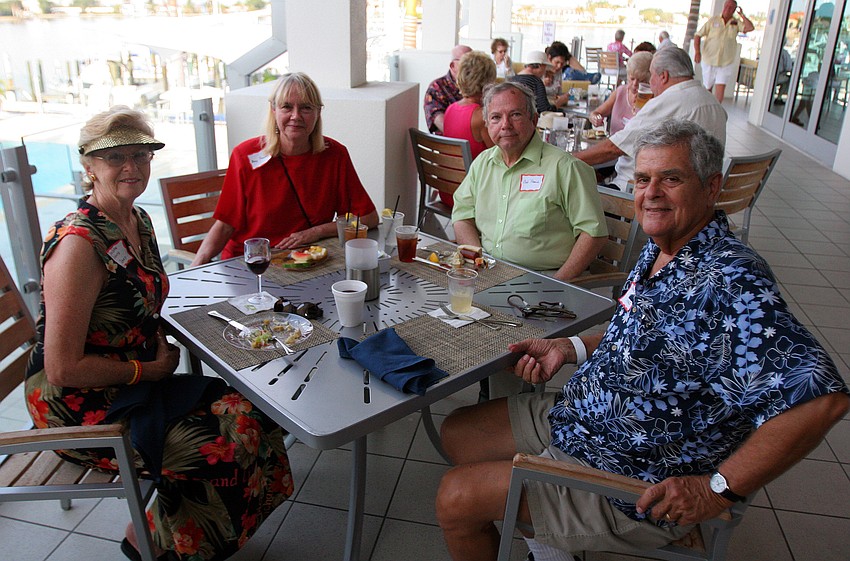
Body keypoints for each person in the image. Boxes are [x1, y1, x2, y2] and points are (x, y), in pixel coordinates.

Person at [435, 119, 850, 561]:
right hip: (585, 418)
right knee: (458, 432)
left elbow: (819, 399)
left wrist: (717, 490)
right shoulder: (662, 248)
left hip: (634, 472)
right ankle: (552, 543)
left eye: (671, 179)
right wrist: (568, 347)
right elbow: (639, 336)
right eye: (643, 179)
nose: (651, 192)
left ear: (711, 188)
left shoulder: (730, 280)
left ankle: (553, 525)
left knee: (455, 499)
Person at [25, 106, 295, 561]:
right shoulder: (78, 246)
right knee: (225, 444)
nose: (131, 167)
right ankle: (161, 546)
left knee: (255, 415)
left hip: (129, 379)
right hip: (81, 405)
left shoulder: (136, 220)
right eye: (115, 158)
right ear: (88, 167)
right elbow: (63, 367)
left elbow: (140, 304)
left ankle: (167, 532)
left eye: (141, 154)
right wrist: (148, 370)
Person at [452, 81, 607, 399]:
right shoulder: (484, 163)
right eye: (495, 117)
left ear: (534, 119)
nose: (504, 125)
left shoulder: (565, 168)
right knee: (438, 312)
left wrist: (558, 284)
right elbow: (461, 214)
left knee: (499, 343)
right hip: (490, 275)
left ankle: (501, 411)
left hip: (542, 283)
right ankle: (486, 395)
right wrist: (474, 255)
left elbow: (594, 232)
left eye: (515, 115)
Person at [191, 73, 378, 265]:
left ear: (318, 113)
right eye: (287, 107)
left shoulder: (335, 155)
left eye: (305, 108)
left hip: (307, 261)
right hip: (252, 262)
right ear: (274, 110)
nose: (295, 116)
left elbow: (368, 218)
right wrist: (193, 271)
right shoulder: (245, 155)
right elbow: (225, 226)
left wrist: (316, 232)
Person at [574, 47, 727, 191]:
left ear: (663, 76)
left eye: (651, 76)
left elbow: (614, 148)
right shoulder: (713, 103)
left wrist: (567, 159)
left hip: (637, 193)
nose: (650, 84)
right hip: (692, 195)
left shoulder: (670, 100)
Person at [694, 0, 755, 104]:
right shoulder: (713, 21)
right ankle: (706, 108)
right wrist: (697, 52)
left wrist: (742, 16)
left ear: (734, 10)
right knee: (707, 87)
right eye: (726, 6)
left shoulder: (736, 23)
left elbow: (750, 28)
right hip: (709, 60)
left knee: (720, 88)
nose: (728, 8)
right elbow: (698, 35)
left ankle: (717, 110)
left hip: (726, 61)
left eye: (731, 7)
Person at [589, 51, 653, 136]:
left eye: (641, 81)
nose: (635, 84)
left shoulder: (653, 99)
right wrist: (596, 118)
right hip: (612, 145)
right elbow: (595, 113)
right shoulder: (620, 92)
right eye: (632, 78)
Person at [424, 44, 473, 133]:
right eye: (467, 62)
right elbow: (445, 126)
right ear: (452, 66)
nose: (473, 67)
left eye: (474, 62)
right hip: (449, 144)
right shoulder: (436, 88)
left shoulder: (478, 85)